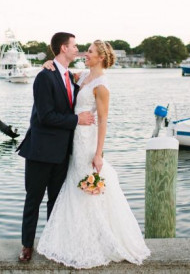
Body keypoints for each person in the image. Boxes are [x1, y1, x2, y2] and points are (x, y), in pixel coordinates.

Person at [37, 40, 150, 269]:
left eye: (89, 52)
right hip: (75, 140)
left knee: (87, 189)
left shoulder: (101, 85)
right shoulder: (83, 76)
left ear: (100, 57)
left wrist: (98, 154)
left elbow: (103, 122)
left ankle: (96, 241)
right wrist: (48, 63)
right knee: (75, 186)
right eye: (85, 50)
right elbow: (62, 74)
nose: (84, 54)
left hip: (88, 142)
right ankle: (75, 238)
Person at [16, 32, 95, 262]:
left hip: (63, 152)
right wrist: (77, 120)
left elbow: (97, 75)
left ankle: (52, 243)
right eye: (74, 46)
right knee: (34, 200)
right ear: (63, 48)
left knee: (56, 202)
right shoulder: (44, 77)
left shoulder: (71, 76)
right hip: (40, 150)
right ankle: (27, 246)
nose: (77, 49)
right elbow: (45, 116)